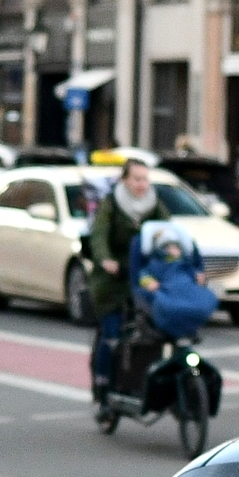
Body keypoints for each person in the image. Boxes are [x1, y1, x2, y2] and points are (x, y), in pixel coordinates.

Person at [84, 159, 169, 401]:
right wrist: (106, 260)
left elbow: (168, 231)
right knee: (112, 335)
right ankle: (103, 383)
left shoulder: (153, 204)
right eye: (137, 179)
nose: (142, 184)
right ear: (125, 180)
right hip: (113, 281)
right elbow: (99, 236)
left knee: (156, 331)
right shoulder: (112, 204)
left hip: (142, 278)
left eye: (145, 179)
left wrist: (176, 252)